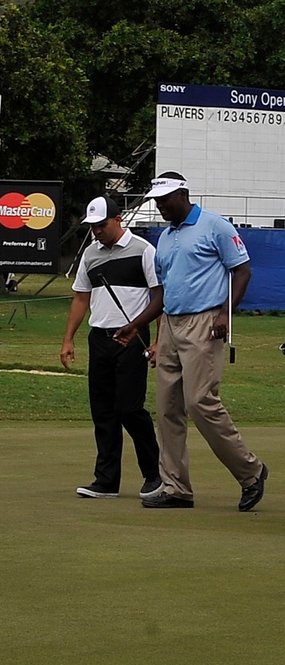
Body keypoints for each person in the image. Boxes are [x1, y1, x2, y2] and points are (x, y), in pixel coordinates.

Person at [114, 172, 268, 510]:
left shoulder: (215, 226)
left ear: (183, 194)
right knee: (168, 408)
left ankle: (251, 472)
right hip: (170, 324)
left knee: (200, 402)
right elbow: (164, 292)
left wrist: (226, 313)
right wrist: (142, 329)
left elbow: (242, 270)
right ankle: (176, 487)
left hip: (205, 322)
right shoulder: (166, 238)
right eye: (156, 200)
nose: (161, 206)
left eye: (165, 199)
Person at [60, 195, 162, 500]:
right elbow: (81, 298)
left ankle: (155, 475)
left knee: (129, 408)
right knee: (103, 412)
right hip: (99, 338)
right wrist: (68, 339)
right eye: (92, 226)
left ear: (118, 220)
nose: (97, 231)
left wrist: (158, 341)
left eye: (102, 224)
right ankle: (106, 481)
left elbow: (160, 298)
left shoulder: (144, 251)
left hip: (133, 338)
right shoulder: (90, 254)